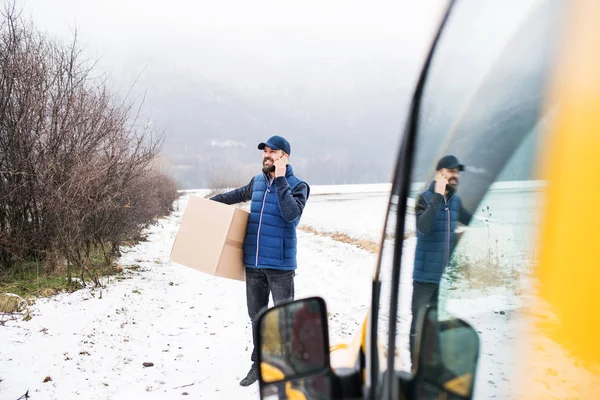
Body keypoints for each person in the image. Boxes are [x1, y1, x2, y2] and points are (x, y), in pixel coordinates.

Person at [210, 135, 310, 386]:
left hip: (280, 266)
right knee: (257, 316)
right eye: (265, 152)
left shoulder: (299, 186)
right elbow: (231, 196)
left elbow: (290, 215)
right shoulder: (256, 182)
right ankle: (259, 363)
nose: (266, 156)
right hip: (253, 264)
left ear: (284, 157)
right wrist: (203, 207)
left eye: (272, 152)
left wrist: (280, 178)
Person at [409, 155, 472, 366]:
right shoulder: (424, 199)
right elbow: (423, 227)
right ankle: (415, 367)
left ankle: (433, 368)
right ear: (439, 174)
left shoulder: (456, 201)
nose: (455, 176)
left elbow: (472, 220)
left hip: (444, 279)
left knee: (439, 325)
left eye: (457, 172)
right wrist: (437, 196)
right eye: (450, 171)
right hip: (424, 277)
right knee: (419, 326)